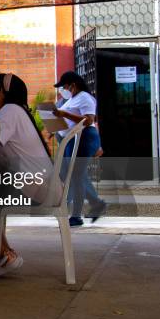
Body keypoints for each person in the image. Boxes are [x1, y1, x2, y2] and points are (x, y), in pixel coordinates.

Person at [0, 73, 58, 275]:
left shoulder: (9, 111)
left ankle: (3, 255)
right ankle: (4, 254)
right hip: (43, 185)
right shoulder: (17, 111)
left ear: (0, 93)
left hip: (37, 187)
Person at [53, 71, 107, 227]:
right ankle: (96, 204)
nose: (63, 89)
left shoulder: (85, 97)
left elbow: (89, 120)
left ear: (73, 85)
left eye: (64, 86)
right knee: (74, 174)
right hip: (73, 139)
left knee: (76, 176)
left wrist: (64, 113)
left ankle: (76, 216)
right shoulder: (73, 98)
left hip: (84, 138)